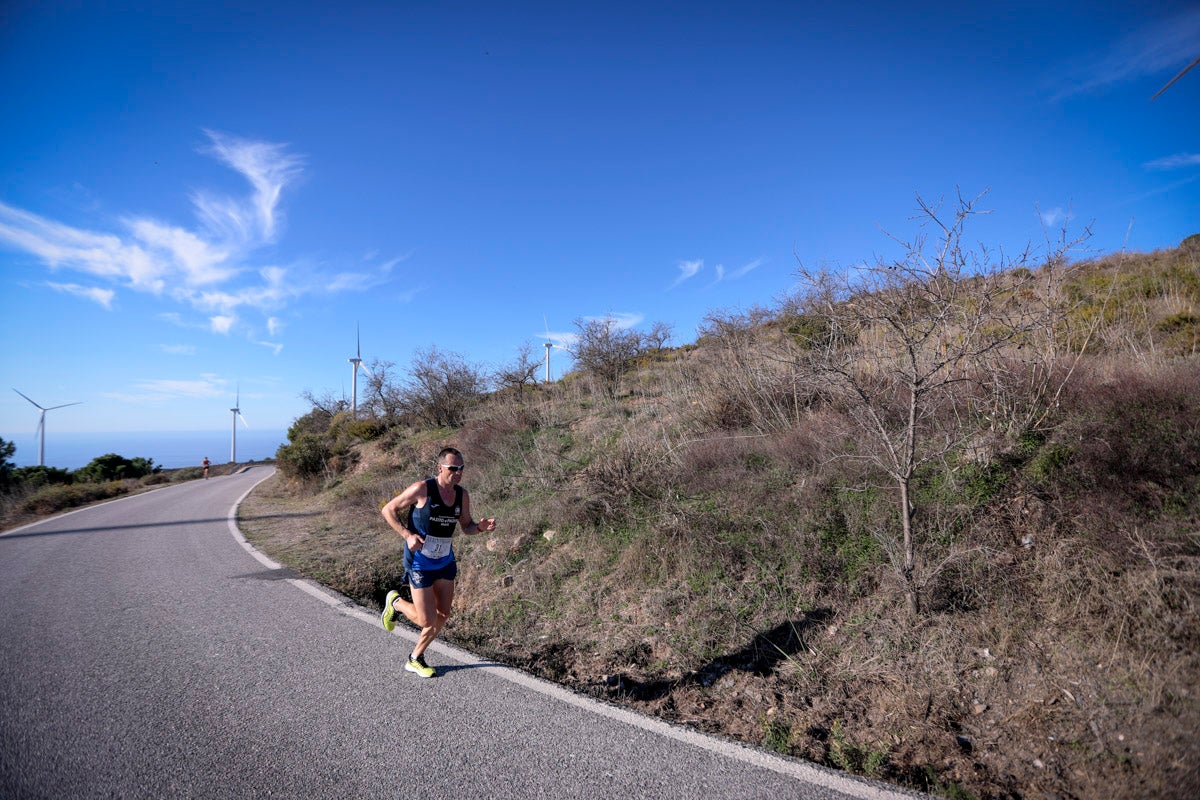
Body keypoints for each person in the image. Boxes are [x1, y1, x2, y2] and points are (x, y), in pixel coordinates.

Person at [380, 447, 496, 677]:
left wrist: (480, 528)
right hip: (420, 562)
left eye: (461, 468)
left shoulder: (461, 495)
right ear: (440, 468)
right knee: (426, 619)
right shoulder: (422, 489)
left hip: (444, 561)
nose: (458, 473)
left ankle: (415, 658)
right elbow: (388, 509)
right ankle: (396, 603)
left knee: (443, 615)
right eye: (453, 468)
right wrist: (407, 535)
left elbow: (466, 526)